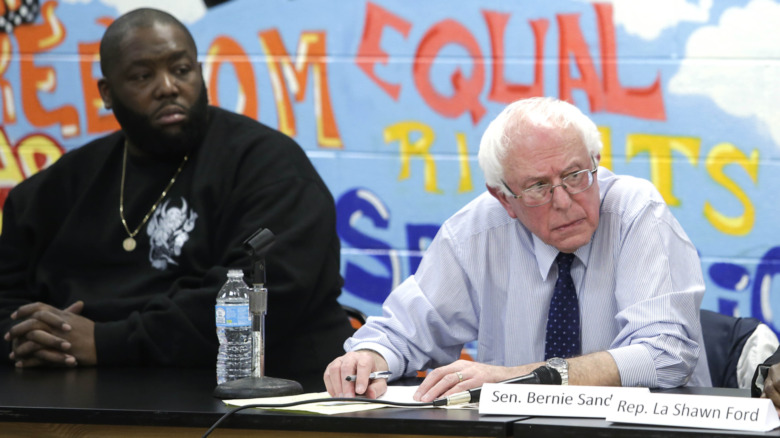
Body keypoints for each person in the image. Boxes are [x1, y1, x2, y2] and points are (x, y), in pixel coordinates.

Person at [0, 8, 353, 391]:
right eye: (142, 76)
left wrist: (107, 342)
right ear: (107, 93)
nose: (167, 87)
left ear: (200, 73)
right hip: (75, 394)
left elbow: (267, 292)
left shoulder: (269, 165)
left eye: (181, 70)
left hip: (252, 398)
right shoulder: (57, 189)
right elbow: (8, 297)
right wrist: (28, 337)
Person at [324, 97, 710, 401]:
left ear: (596, 162)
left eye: (576, 175)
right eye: (538, 187)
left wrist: (515, 378)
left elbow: (666, 354)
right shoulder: (476, 232)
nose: (563, 201)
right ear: (504, 199)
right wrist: (370, 358)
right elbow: (405, 332)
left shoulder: (635, 212)